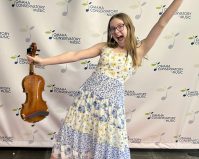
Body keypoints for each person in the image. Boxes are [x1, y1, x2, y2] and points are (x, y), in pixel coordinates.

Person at [27, 0, 183, 158]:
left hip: (110, 107)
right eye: (112, 29)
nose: (116, 31)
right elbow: (74, 55)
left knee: (105, 143)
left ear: (129, 27)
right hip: (86, 100)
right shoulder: (105, 47)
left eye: (120, 26)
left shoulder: (139, 50)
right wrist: (42, 60)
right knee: (73, 138)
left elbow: (162, 23)